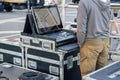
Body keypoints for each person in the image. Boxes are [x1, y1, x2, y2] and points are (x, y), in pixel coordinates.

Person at [77, 0, 110, 77]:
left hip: (90, 42)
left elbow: (81, 28)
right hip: (105, 41)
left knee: (87, 75)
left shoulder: (84, 2)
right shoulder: (106, 1)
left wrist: (80, 43)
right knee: (102, 75)